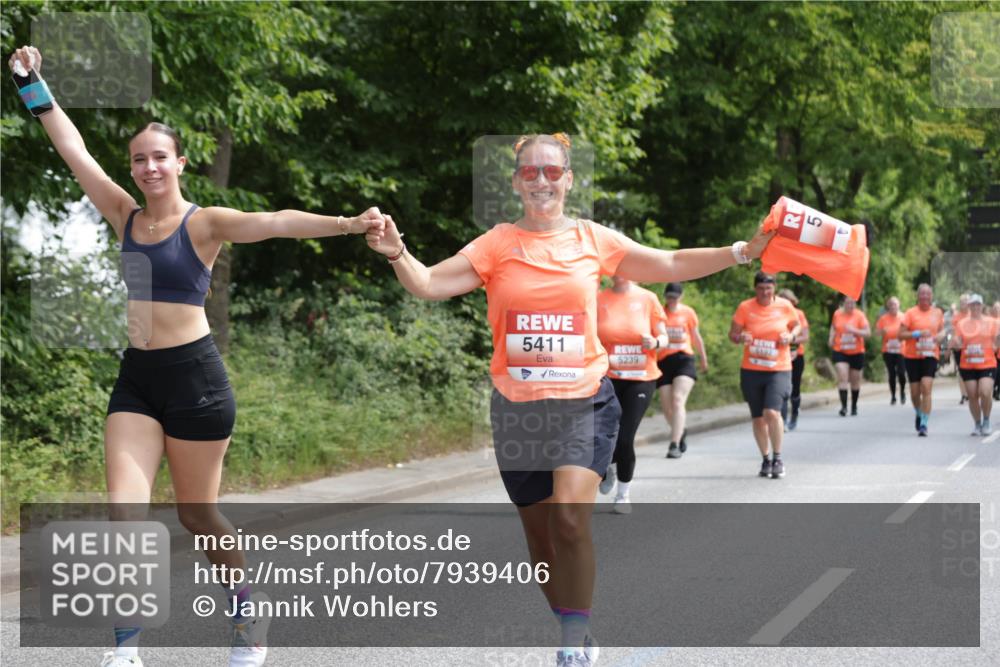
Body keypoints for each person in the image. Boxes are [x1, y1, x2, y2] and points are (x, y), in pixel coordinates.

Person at [9, 46, 384, 667]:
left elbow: (276, 222)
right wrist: (31, 83)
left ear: (179, 162)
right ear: (132, 169)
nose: (150, 167)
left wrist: (347, 223)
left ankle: (245, 606)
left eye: (160, 156)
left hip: (196, 382)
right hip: (137, 381)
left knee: (198, 516)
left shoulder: (204, 222)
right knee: (125, 515)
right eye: (139, 159)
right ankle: (127, 648)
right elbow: (72, 149)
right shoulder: (123, 215)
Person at [365, 133, 772, 666]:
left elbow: (669, 262)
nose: (541, 181)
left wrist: (743, 251)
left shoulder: (590, 238)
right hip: (517, 410)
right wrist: (396, 251)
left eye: (552, 172)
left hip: (583, 401)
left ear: (569, 179)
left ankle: (573, 644)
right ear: (515, 182)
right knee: (540, 545)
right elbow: (427, 284)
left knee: (571, 521)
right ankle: (571, 619)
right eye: (529, 172)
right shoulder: (496, 243)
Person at [596, 276, 668, 513]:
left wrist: (655, 342)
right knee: (603, 435)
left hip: (641, 378)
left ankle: (623, 495)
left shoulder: (648, 298)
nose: (621, 272)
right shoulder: (599, 298)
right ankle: (608, 466)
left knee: (625, 438)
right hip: (606, 378)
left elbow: (665, 337)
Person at [729, 272, 801, 479]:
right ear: (755, 289)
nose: (764, 293)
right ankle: (766, 458)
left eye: (768, 289)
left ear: (774, 288)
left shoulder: (785, 306)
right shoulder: (745, 307)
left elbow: (796, 325)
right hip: (752, 369)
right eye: (760, 289)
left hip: (778, 368)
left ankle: (778, 458)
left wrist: (791, 335)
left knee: (772, 413)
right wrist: (740, 336)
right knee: (759, 418)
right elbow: (732, 334)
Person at [656, 282, 707, 458]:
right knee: (667, 408)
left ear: (681, 296)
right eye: (669, 296)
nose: (672, 300)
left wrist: (703, 359)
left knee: (678, 400)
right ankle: (680, 430)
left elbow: (696, 336)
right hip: (663, 361)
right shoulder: (659, 313)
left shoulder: (688, 313)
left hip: (684, 359)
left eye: (675, 297)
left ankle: (674, 444)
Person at [899, 283, 946, 437]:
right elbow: (900, 335)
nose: (925, 296)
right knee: (914, 392)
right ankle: (919, 412)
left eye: (928, 294)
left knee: (926, 387)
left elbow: (942, 331)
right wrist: (916, 333)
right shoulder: (910, 313)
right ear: (918, 296)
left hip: (930, 355)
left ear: (931, 296)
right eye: (922, 294)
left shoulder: (937, 313)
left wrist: (941, 336)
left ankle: (924, 423)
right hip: (912, 356)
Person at [951, 294, 998, 435]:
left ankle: (987, 421)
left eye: (978, 304)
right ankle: (977, 424)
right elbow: (958, 341)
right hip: (968, 364)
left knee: (985, 392)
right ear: (969, 306)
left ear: (982, 306)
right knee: (972, 395)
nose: (976, 307)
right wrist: (956, 344)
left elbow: (997, 343)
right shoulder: (962, 323)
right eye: (973, 305)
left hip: (987, 363)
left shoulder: (992, 322)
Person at [828, 296, 871, 416]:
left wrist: (855, 331)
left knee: (855, 380)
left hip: (857, 352)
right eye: (848, 303)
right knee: (842, 376)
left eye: (852, 303)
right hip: (840, 350)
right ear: (843, 303)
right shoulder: (837, 314)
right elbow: (833, 327)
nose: (850, 305)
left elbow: (868, 333)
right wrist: (831, 337)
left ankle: (854, 406)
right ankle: (843, 407)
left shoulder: (860, 315)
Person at [777, 288, 809, 430]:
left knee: (794, 387)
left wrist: (791, 339)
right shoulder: (775, 313)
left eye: (788, 301)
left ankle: (794, 414)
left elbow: (805, 336)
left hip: (797, 354)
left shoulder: (799, 314)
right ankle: (782, 419)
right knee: (782, 387)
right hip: (779, 355)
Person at [876, 296, 908, 405]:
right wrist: (882, 332)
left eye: (895, 304)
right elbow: (877, 333)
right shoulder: (883, 318)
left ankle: (902, 392)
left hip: (901, 349)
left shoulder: (904, 317)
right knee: (892, 373)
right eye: (891, 304)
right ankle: (893, 395)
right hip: (888, 349)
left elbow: (909, 331)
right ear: (888, 306)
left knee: (901, 373)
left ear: (899, 305)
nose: (893, 306)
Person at [952, 294, 971, 404]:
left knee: (970, 370)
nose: (964, 304)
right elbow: (954, 333)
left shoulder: (973, 315)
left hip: (971, 347)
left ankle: (971, 392)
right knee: (961, 371)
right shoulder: (956, 317)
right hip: (959, 347)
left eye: (966, 301)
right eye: (962, 302)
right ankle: (964, 395)